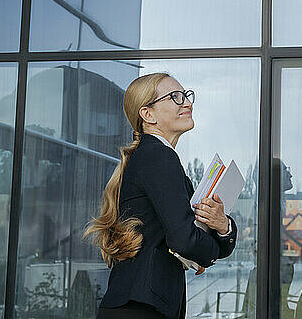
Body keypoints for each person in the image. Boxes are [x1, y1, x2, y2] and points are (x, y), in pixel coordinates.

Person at [84, 72, 237, 319]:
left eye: (186, 96)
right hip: (142, 305)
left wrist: (222, 226)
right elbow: (184, 240)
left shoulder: (154, 156)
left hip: (140, 303)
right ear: (148, 114)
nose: (186, 103)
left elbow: (184, 237)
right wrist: (204, 255)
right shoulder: (159, 156)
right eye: (174, 97)